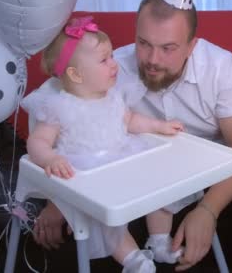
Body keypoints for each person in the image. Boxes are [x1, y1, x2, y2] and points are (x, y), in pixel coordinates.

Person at [33, 0, 232, 271]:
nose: (152, 59)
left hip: (210, 167)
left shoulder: (219, 66)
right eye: (144, 43)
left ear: (192, 45)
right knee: (98, 223)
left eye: (168, 48)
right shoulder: (112, 67)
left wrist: (208, 210)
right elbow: (67, 120)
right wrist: (56, 199)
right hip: (145, 170)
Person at [23, 16, 188, 272]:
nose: (114, 65)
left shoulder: (113, 97)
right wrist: (50, 158)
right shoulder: (60, 106)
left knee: (158, 183)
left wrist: (158, 126)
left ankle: (159, 241)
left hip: (123, 156)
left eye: (111, 56)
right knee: (106, 219)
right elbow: (38, 141)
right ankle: (133, 259)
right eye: (104, 60)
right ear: (76, 74)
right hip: (90, 172)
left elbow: (131, 120)